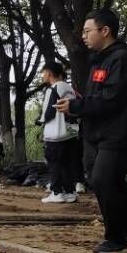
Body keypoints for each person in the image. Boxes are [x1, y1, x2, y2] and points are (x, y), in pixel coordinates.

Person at [56, 8, 127, 253]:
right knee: (112, 181)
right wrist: (77, 107)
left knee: (103, 180)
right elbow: (97, 97)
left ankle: (115, 238)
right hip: (99, 133)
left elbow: (111, 99)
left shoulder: (122, 58)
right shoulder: (100, 59)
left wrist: (76, 106)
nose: (83, 36)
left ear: (105, 30)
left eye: (88, 31)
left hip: (120, 134)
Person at [38, 63, 79, 204]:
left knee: (54, 163)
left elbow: (48, 113)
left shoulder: (52, 89)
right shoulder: (69, 88)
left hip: (55, 134)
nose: (43, 75)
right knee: (67, 164)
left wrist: (39, 121)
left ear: (49, 73)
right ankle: (70, 193)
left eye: (44, 72)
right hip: (71, 132)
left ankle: (57, 193)